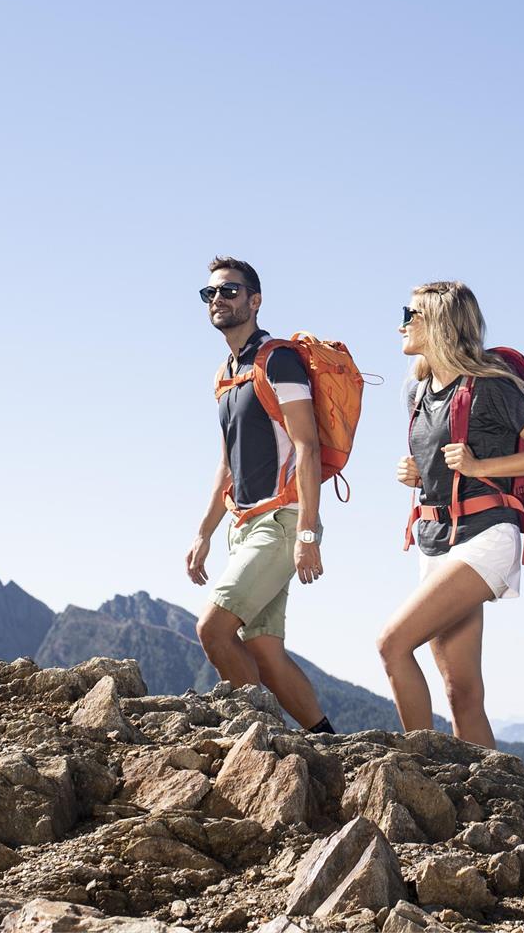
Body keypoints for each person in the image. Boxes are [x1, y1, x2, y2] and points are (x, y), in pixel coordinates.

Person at [378, 280, 524, 748]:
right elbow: (441, 465)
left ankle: (417, 768)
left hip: (487, 534)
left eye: (412, 314)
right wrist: (415, 475)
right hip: (435, 539)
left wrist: (482, 466)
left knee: (393, 644)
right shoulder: (419, 393)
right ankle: (493, 798)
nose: (401, 323)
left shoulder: (492, 386)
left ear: (441, 322)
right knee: (461, 691)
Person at [186, 256, 335, 734]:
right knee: (265, 653)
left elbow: (308, 446)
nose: (218, 301)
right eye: (210, 293)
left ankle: (263, 739)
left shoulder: (278, 359)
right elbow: (227, 465)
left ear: (255, 300)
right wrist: (204, 534)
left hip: (282, 522)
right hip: (244, 526)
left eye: (229, 291)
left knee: (212, 630)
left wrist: (308, 532)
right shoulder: (226, 375)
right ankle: (327, 747)